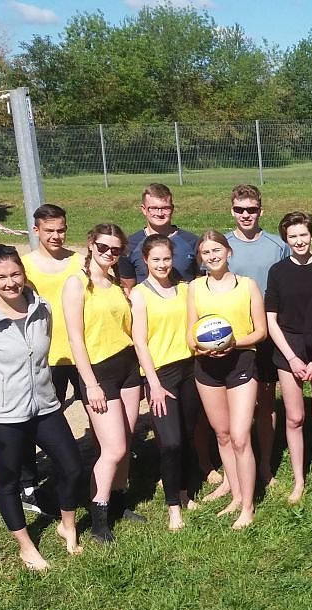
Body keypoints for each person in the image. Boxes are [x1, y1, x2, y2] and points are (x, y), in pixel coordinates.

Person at [0, 245, 84, 569]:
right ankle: (26, 545)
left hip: (44, 406)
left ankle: (67, 525)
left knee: (72, 466)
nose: (10, 282)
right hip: (0, 416)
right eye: (1, 277)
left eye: (15, 274)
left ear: (24, 274)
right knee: (9, 480)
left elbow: (42, 352)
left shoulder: (41, 309)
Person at [62, 224, 143, 543]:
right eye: (103, 247)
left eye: (116, 249)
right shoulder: (77, 283)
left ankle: (120, 501)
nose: (109, 253)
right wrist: (90, 384)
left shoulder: (116, 283)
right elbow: (75, 339)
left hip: (127, 366)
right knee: (113, 448)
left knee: (126, 439)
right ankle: (99, 516)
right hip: (98, 372)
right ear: (90, 244)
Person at [188, 230, 268, 530]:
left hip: (241, 362)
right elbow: (190, 333)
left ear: (228, 252)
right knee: (222, 434)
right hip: (207, 367)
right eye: (206, 252)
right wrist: (201, 347)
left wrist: (234, 343)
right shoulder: (195, 287)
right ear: (201, 257)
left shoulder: (247, 285)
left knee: (240, 436)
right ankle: (235, 495)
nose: (212, 256)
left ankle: (247, 506)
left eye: (216, 250)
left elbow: (261, 331)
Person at [128, 234, 199, 530]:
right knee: (170, 442)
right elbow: (140, 342)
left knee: (188, 436)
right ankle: (173, 508)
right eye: (155, 259)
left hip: (190, 369)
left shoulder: (185, 289)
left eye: (166, 258)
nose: (162, 264)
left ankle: (184, 491)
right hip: (161, 374)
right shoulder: (139, 294)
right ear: (145, 260)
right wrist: (153, 384)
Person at [225, 185, 289, 490]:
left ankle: (264, 463)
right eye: (240, 209)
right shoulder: (222, 245)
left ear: (261, 211)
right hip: (232, 337)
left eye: (251, 209)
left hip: (266, 334)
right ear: (232, 211)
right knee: (233, 405)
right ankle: (233, 466)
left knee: (266, 401)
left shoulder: (277, 245)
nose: (246, 215)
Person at [264, 211, 312, 505]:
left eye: (303, 235)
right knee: (295, 417)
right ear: (286, 240)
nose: (299, 241)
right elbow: (271, 320)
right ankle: (299, 480)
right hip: (288, 346)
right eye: (293, 236)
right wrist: (291, 358)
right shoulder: (278, 271)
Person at [21, 204, 82, 406]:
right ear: (36, 230)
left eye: (60, 230)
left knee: (97, 408)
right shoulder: (23, 266)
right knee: (51, 411)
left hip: (82, 350)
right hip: (47, 353)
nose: (56, 236)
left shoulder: (81, 262)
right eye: (49, 231)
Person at [119, 183, 201, 290]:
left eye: (165, 208)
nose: (160, 213)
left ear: (172, 209)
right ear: (143, 209)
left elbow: (201, 282)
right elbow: (128, 287)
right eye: (153, 208)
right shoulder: (130, 245)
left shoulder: (192, 242)